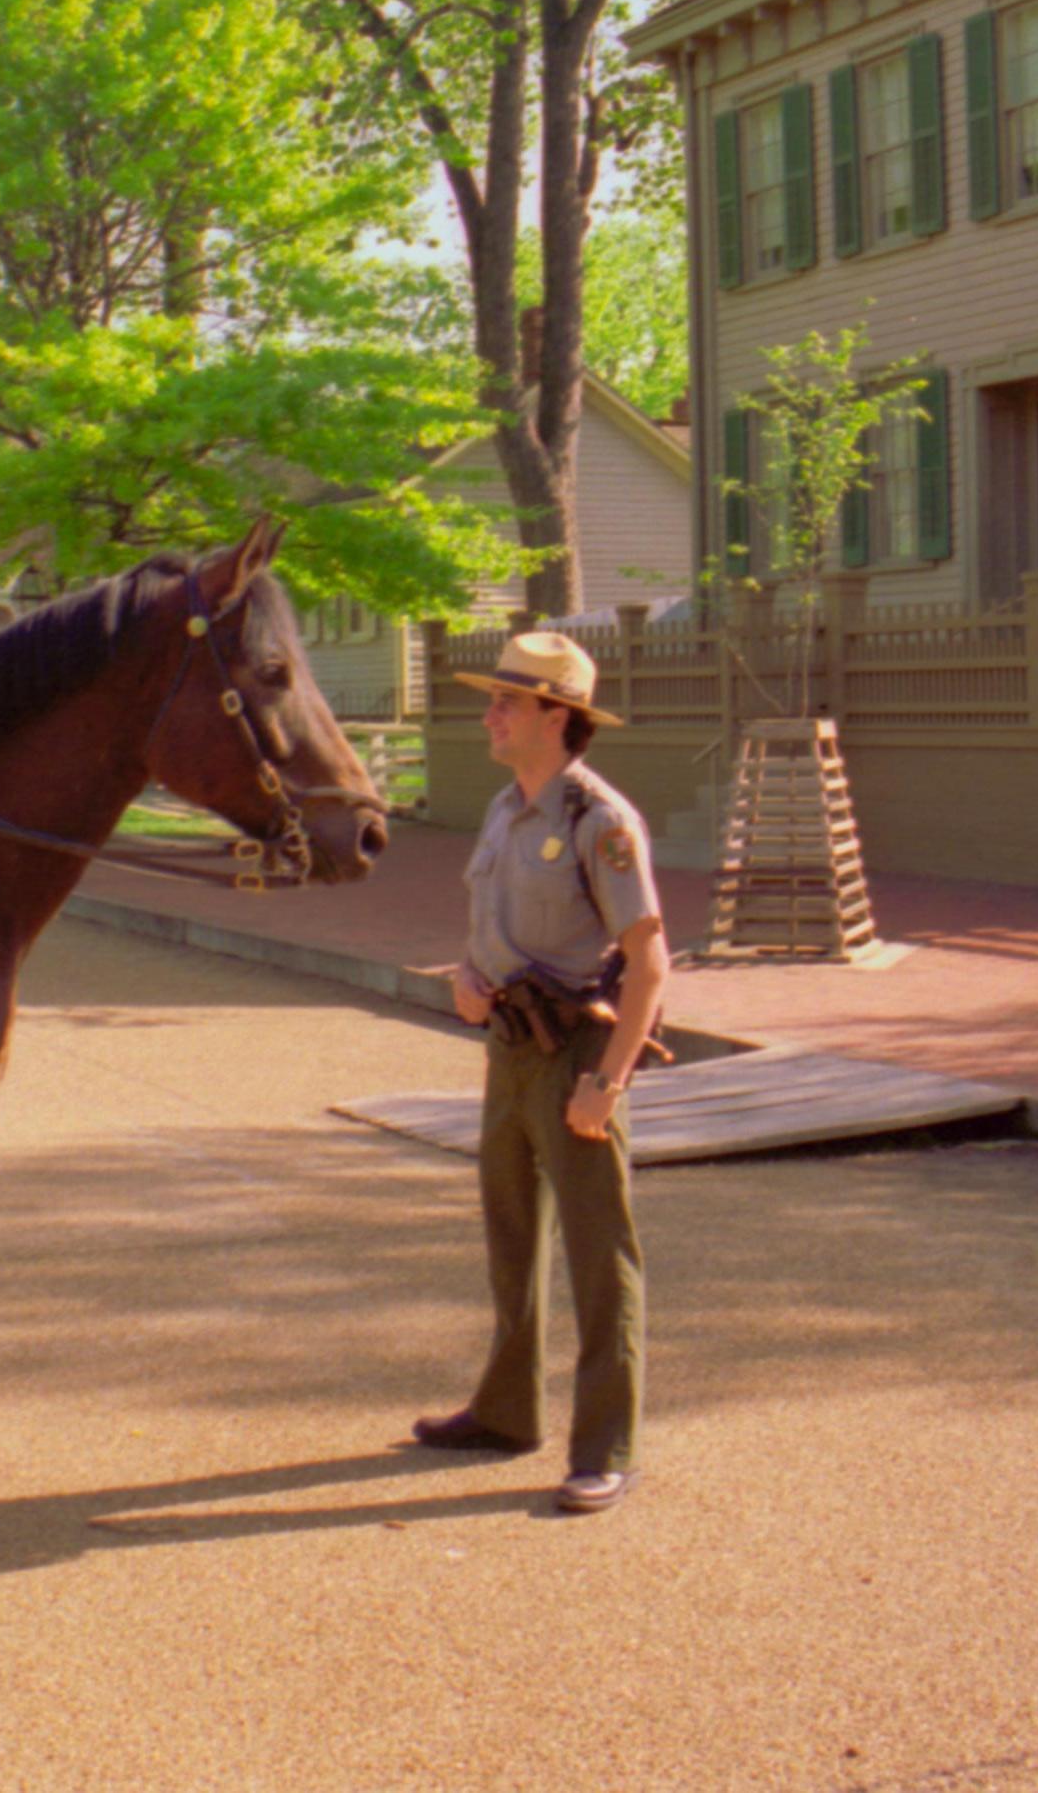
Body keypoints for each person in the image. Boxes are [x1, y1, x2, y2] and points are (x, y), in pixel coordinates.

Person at [411, 630, 667, 1515]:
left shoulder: (600, 821)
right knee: (511, 1242)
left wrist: (612, 1080)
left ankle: (608, 1447)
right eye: (495, 700)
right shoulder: (503, 808)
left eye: (508, 703)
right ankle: (505, 1411)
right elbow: (495, 926)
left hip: (575, 1065)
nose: (491, 715)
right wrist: (470, 980)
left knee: (602, 1259)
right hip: (508, 1055)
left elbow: (650, 962)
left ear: (557, 717)